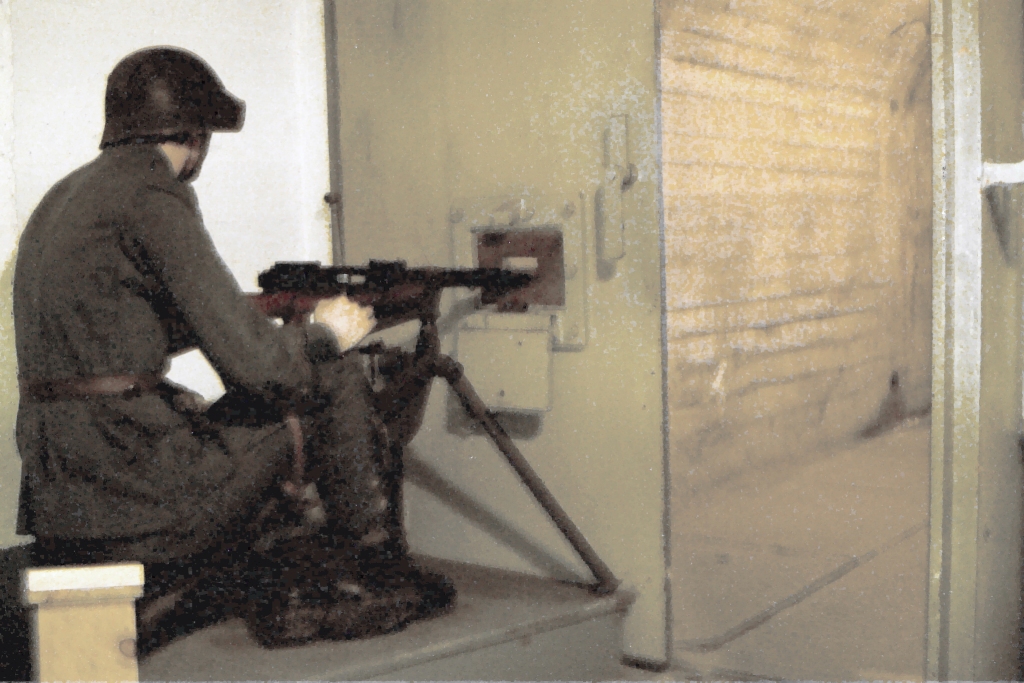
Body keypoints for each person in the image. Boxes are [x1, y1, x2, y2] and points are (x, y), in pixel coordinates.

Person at [12, 46, 452, 653]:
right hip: (132, 494)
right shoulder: (152, 193)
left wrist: (254, 312)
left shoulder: (69, 198)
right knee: (334, 376)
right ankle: (374, 567)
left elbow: (116, 336)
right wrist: (324, 332)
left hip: (66, 502)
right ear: (193, 134)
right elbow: (265, 373)